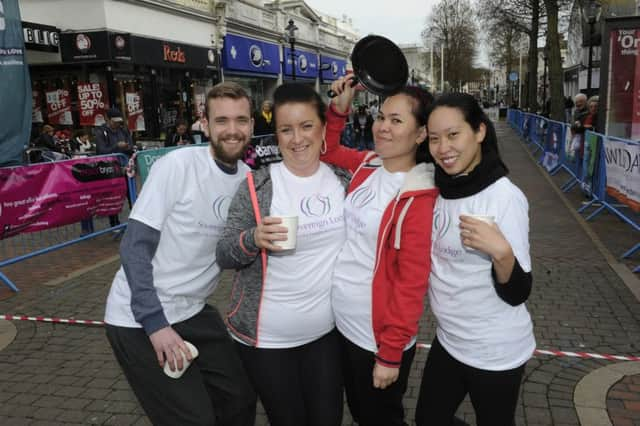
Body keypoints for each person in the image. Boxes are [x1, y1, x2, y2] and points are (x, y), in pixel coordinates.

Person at [104, 82, 257, 426]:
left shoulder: (248, 179)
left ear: (252, 125)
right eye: (221, 121)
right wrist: (155, 324)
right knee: (193, 418)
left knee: (240, 398)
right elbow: (134, 247)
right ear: (205, 123)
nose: (232, 130)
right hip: (140, 317)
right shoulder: (178, 166)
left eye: (241, 120)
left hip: (193, 309)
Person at [216, 83, 351, 426]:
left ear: (322, 127)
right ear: (275, 134)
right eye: (285, 129)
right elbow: (225, 253)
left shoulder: (344, 180)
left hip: (327, 333)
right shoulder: (257, 185)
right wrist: (253, 238)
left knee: (327, 419)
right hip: (267, 339)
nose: (296, 138)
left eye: (306, 126)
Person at [319, 76, 438, 426]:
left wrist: (389, 354)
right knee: (358, 411)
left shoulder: (420, 194)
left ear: (420, 135)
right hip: (341, 323)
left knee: (380, 418)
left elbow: (411, 282)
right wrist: (338, 112)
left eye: (396, 120)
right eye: (381, 117)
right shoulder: (369, 164)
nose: (382, 127)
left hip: (376, 336)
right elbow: (327, 150)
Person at [414, 93, 535, 426]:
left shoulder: (503, 197)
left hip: (494, 351)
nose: (443, 148)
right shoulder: (437, 186)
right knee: (427, 420)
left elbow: (518, 292)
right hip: (450, 340)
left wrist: (502, 252)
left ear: (480, 131)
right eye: (435, 138)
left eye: (454, 135)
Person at [95, 107, 134, 228]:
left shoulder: (123, 130)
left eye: (119, 121)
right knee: (113, 197)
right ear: (108, 119)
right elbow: (101, 151)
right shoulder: (101, 132)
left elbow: (130, 146)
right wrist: (117, 146)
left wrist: (126, 147)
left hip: (125, 167)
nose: (117, 123)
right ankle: (114, 224)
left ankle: (136, 220)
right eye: (114, 121)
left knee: (131, 194)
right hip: (110, 169)